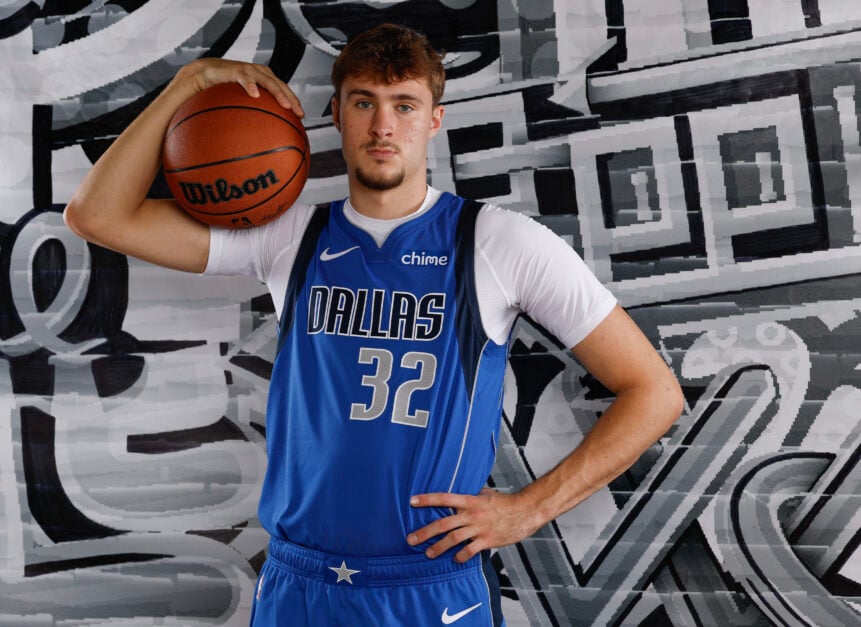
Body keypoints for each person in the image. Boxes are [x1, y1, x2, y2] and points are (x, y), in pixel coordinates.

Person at [64, 23, 684, 627]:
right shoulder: (289, 235)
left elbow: (654, 392)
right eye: (365, 103)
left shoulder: (496, 242)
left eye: (405, 105)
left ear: (433, 120)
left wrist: (526, 510)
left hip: (428, 585)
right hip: (299, 580)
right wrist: (188, 84)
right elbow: (97, 216)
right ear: (337, 113)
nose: (384, 126)